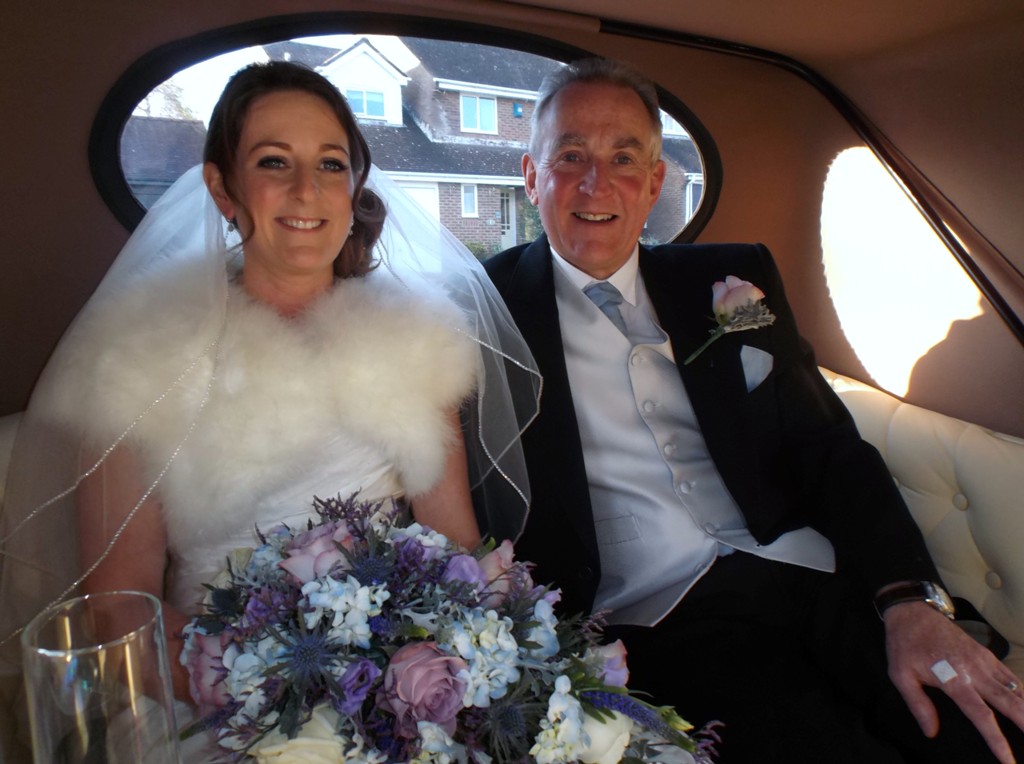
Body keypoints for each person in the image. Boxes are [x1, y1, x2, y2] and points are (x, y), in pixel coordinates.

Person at [484, 57, 1024, 763]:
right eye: (571, 156)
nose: (596, 182)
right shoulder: (479, 310)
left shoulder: (731, 278)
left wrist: (908, 599)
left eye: (624, 158)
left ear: (653, 184)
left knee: (989, 736)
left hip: (822, 573)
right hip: (667, 618)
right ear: (530, 176)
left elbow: (826, 445)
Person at [0, 61, 539, 759]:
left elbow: (457, 547)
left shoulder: (419, 341)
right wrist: (274, 694)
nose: (306, 189)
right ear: (224, 188)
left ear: (353, 189)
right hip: (207, 693)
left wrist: (430, 675)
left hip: (402, 685)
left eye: (330, 163)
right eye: (273, 161)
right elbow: (118, 607)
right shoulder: (139, 358)